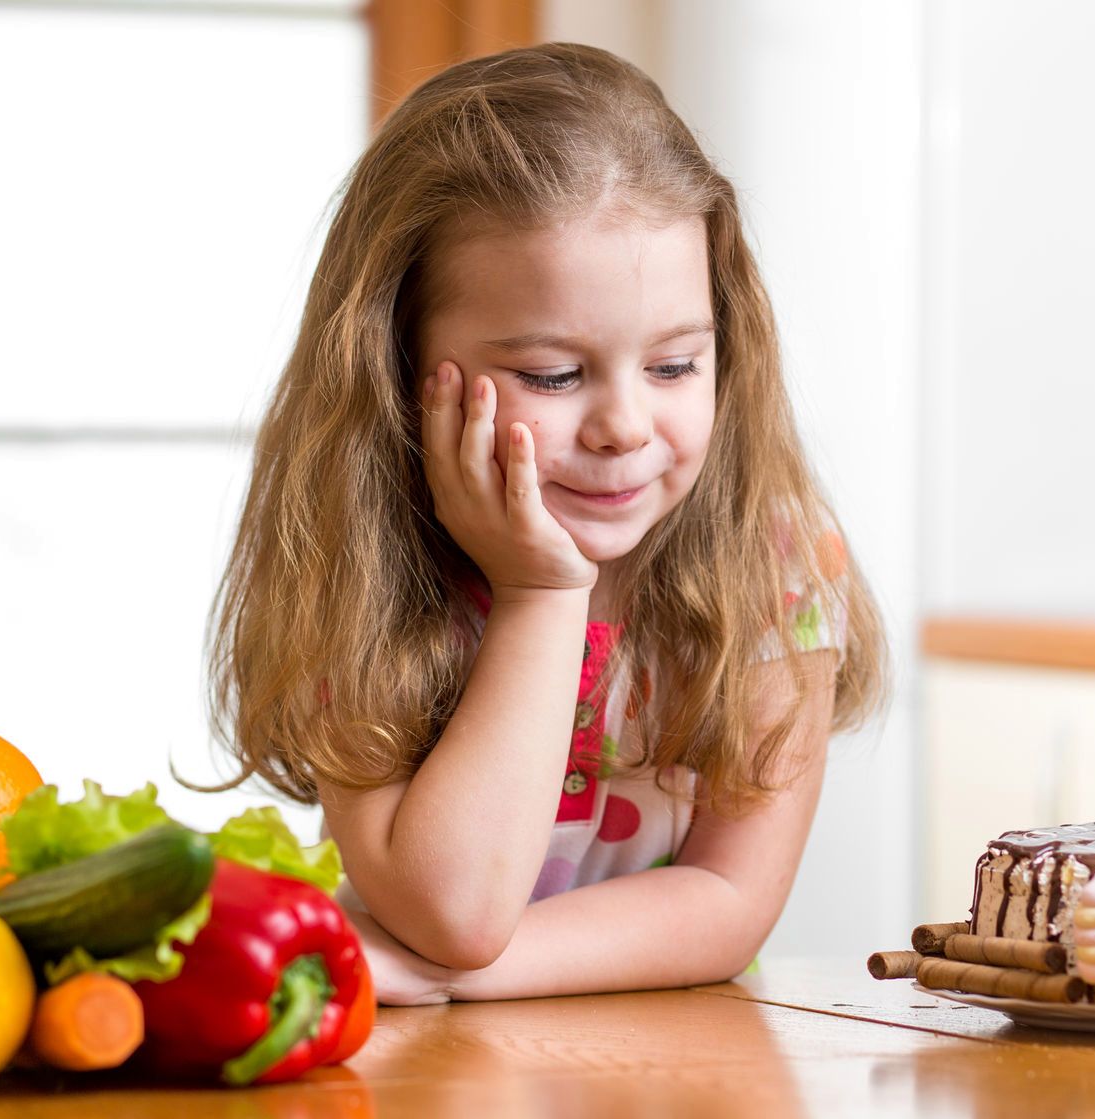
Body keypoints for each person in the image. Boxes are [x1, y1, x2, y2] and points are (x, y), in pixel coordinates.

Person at [201, 42, 888, 1004]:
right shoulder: (363, 556)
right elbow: (454, 910)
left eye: (676, 365)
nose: (623, 426)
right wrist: (540, 593)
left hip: (673, 1068)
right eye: (553, 376)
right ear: (397, 361)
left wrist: (462, 976)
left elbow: (731, 898)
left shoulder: (774, 558)